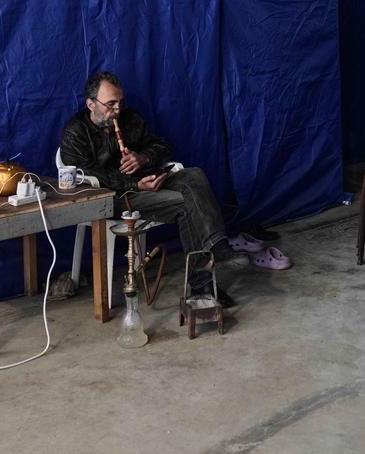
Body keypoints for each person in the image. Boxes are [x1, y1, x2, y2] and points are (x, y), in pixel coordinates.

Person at [60, 72, 291, 302]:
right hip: (117, 198)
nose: (118, 110)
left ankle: (218, 244)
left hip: (149, 183)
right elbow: (88, 175)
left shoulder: (130, 119)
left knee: (194, 175)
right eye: (110, 104)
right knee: (186, 205)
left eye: (120, 102)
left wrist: (144, 158)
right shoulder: (75, 132)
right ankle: (202, 286)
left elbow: (161, 145)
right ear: (91, 104)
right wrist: (135, 184)